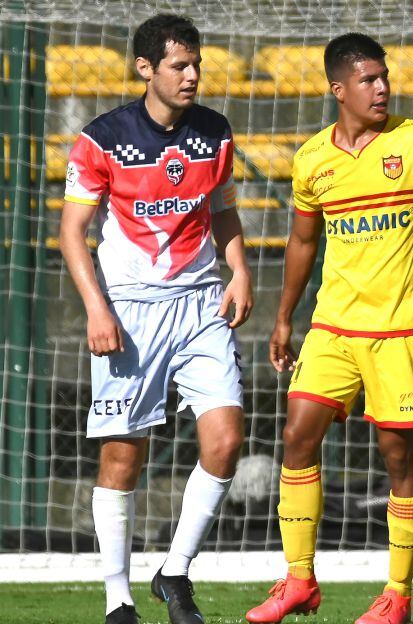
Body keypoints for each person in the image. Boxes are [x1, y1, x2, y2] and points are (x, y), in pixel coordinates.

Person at [244, 32, 413, 624]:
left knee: (398, 459)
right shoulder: (312, 160)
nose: (382, 88)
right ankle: (299, 580)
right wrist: (284, 318)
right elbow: (303, 241)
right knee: (297, 437)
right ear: (339, 89)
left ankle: (397, 596)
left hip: (400, 333)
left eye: (384, 78)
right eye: (368, 80)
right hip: (332, 327)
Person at [59, 14, 251, 624]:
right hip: (129, 311)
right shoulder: (102, 138)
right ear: (146, 68)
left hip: (199, 304)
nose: (192, 75)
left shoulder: (215, 133)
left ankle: (174, 573)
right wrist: (97, 308)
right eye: (179, 65)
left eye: (196, 64)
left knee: (226, 440)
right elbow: (72, 233)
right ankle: (118, 599)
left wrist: (240, 270)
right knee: (123, 457)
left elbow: (222, 210)